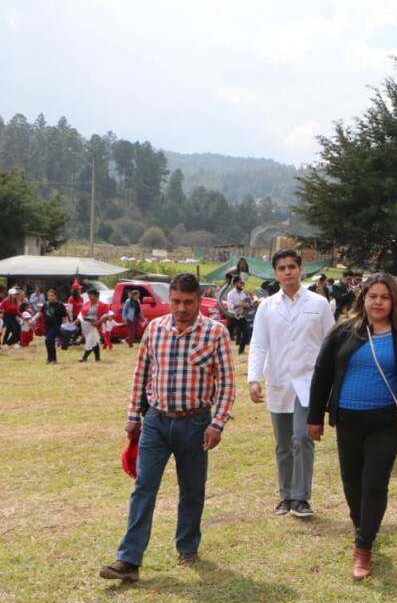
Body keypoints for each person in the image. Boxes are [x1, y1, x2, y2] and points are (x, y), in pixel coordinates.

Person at [100, 273, 236, 582]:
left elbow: (227, 384)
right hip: (156, 422)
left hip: (196, 423)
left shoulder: (216, 333)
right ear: (169, 299)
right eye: (176, 301)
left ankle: (187, 546)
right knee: (143, 488)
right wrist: (133, 416)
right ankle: (128, 560)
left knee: (192, 489)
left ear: (199, 301)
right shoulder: (154, 329)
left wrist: (217, 424)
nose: (181, 308)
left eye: (188, 302)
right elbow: (141, 375)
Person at [307, 273, 397, 580]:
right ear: (363, 298)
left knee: (375, 482)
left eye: (385, 297)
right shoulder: (343, 331)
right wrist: (314, 417)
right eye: (373, 296)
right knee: (352, 483)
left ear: (394, 301)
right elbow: (322, 373)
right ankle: (361, 527)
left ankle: (363, 548)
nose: (378, 302)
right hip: (348, 420)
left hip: (386, 423)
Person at [248, 249, 335, 519]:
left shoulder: (319, 304)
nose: (287, 272)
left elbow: (330, 343)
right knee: (283, 444)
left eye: (292, 267)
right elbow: (259, 343)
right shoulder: (267, 307)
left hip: (308, 383)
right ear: (276, 273)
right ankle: (285, 495)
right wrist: (253, 379)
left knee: (302, 438)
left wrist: (331, 381)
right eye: (282, 268)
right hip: (278, 381)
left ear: (300, 269)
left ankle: (301, 498)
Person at [78, 288, 112, 363]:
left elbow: (106, 316)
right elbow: (81, 314)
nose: (91, 298)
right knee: (94, 341)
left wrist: (98, 322)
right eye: (89, 296)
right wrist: (75, 322)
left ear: (97, 296)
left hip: (95, 325)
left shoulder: (103, 305)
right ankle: (97, 358)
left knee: (90, 340)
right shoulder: (87, 304)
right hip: (86, 325)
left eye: (92, 296)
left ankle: (84, 357)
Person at [41, 289, 69, 364]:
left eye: (52, 295)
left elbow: (64, 317)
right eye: (49, 296)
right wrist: (32, 320)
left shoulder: (60, 305)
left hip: (56, 326)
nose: (50, 297)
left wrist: (64, 327)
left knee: (48, 340)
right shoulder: (46, 305)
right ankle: (51, 358)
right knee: (49, 342)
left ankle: (52, 358)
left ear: (56, 296)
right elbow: (40, 313)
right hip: (47, 326)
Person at [225, 276, 247, 343]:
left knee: (246, 331)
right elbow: (230, 307)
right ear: (235, 283)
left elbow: (245, 303)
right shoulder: (230, 294)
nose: (242, 284)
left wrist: (247, 305)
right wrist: (240, 305)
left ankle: (241, 346)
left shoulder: (243, 293)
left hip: (241, 315)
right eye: (240, 283)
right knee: (228, 332)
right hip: (232, 315)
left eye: (242, 283)